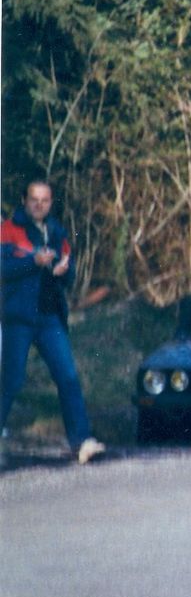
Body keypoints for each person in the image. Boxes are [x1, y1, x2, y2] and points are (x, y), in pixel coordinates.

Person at [1, 181, 105, 464]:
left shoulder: (57, 232)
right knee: (10, 380)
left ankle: (81, 441)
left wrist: (62, 271)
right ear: (24, 200)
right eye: (34, 199)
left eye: (45, 200)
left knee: (68, 377)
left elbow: (68, 272)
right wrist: (33, 262)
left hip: (49, 317)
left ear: (51, 202)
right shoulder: (9, 230)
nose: (39, 204)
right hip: (18, 317)